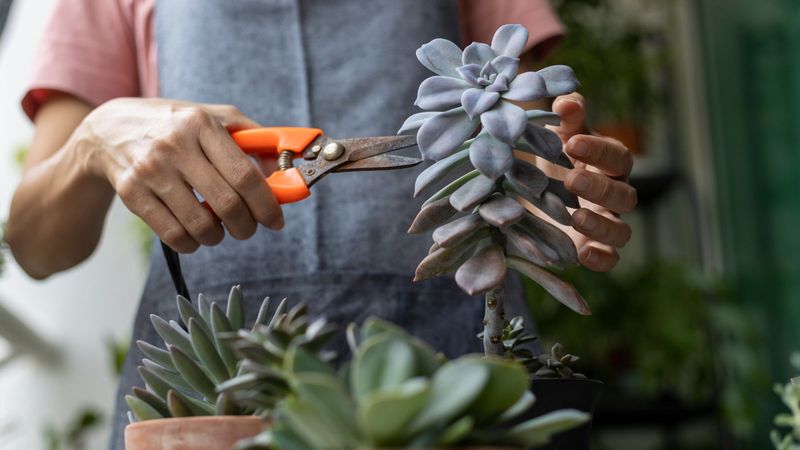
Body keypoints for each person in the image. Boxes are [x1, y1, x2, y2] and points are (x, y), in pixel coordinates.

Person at [5, 0, 636, 448]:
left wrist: (562, 195)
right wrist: (93, 140)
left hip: (456, 364)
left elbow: (525, 131)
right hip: (211, 393)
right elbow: (35, 246)